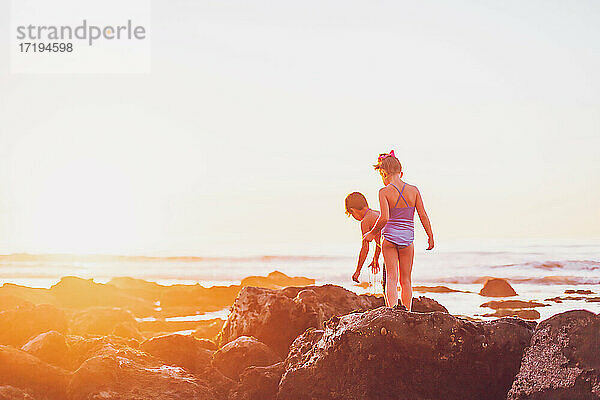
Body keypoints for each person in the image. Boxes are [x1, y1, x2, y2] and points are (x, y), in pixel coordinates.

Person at [363, 150, 434, 310]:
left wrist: (372, 233)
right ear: (400, 171)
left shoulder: (384, 192)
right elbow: (423, 214)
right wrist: (430, 235)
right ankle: (407, 312)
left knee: (392, 279)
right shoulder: (414, 190)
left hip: (388, 239)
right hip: (407, 239)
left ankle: (393, 312)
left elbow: (385, 218)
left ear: (384, 172)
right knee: (406, 280)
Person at [344, 192, 385, 291]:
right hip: (401, 245)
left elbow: (365, 248)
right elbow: (381, 240)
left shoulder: (366, 221)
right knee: (400, 279)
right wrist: (375, 258)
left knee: (387, 282)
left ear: (353, 210)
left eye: (351, 214)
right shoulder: (378, 213)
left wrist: (358, 271)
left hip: (389, 251)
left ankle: (390, 305)